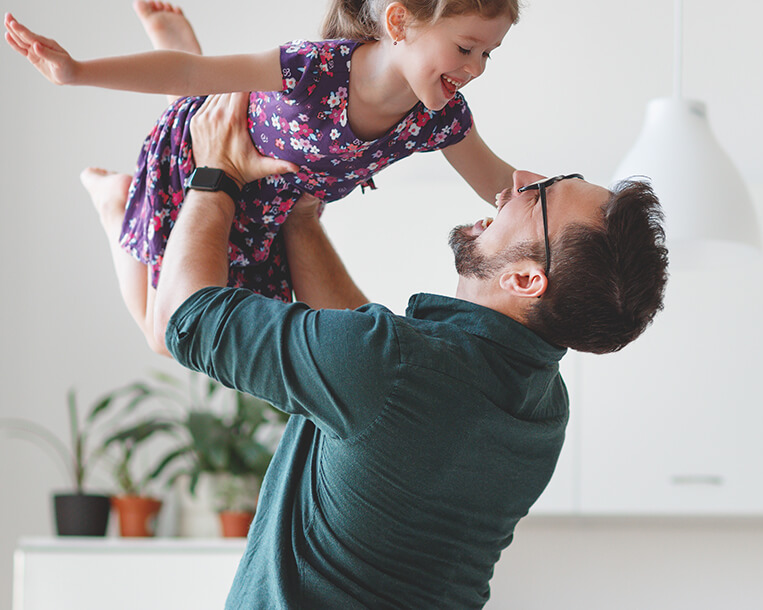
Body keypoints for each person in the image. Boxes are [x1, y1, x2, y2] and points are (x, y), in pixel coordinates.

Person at [138, 88, 668, 608]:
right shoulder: (541, 407)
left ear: (526, 280)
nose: (519, 180)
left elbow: (178, 320)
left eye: (541, 196)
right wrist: (300, 220)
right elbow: (374, 379)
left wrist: (216, 174)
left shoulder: (393, 367)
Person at [3, 0, 518, 354]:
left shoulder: (441, 118)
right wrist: (76, 72)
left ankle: (182, 69)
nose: (477, 68)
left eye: (489, 54)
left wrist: (585, 204)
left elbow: (504, 183)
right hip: (196, 162)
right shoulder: (317, 68)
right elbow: (187, 73)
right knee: (166, 337)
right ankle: (116, 202)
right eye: (466, 48)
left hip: (262, 218)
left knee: (215, 333)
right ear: (400, 23)